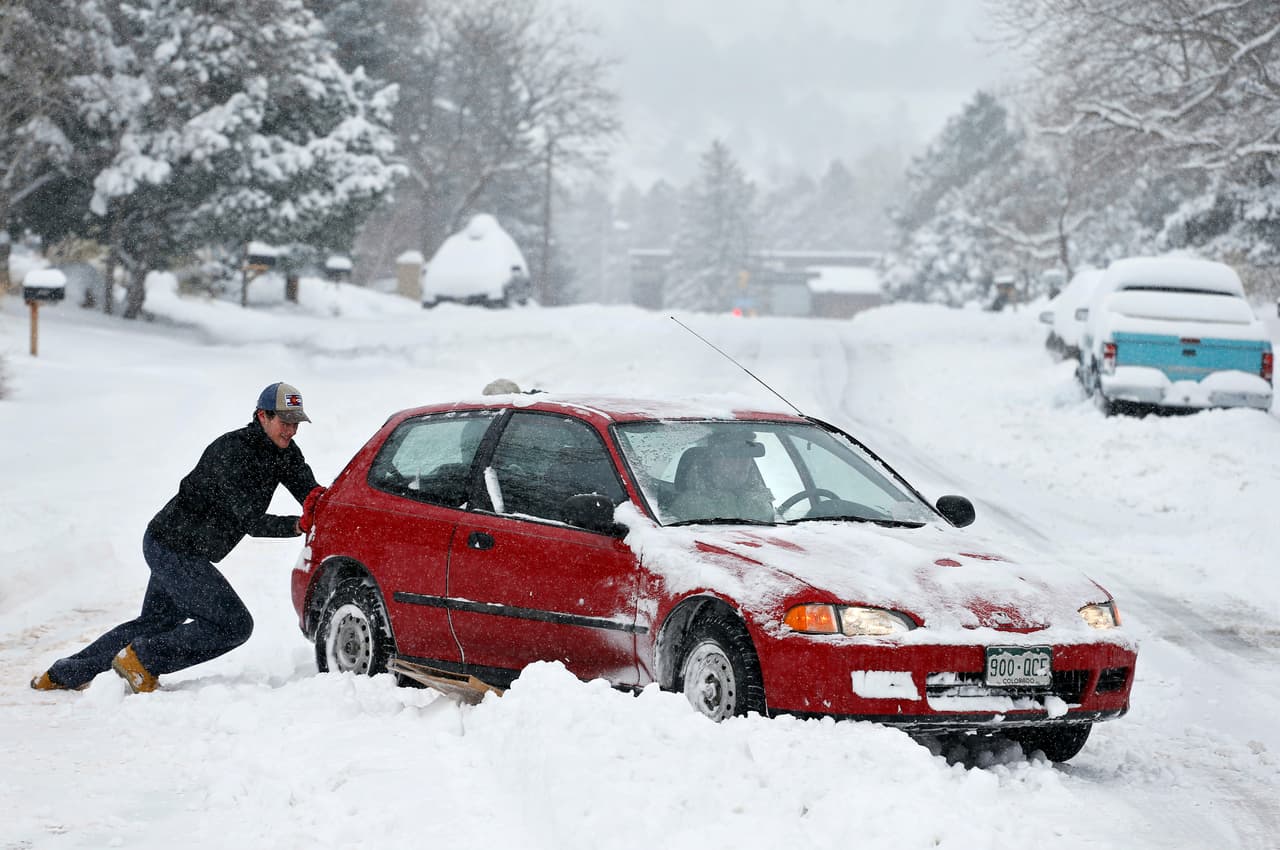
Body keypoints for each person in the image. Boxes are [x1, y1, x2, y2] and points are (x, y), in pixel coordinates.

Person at [30, 382, 326, 694]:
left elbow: (309, 491)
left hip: (184, 549)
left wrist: (326, 504)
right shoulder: (232, 452)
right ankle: (143, 659)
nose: (291, 431)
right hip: (172, 546)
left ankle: (63, 674)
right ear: (262, 416)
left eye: (296, 423)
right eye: (285, 422)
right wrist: (296, 525)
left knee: (154, 624)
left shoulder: (285, 453)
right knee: (233, 624)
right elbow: (248, 521)